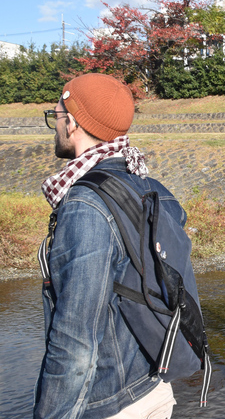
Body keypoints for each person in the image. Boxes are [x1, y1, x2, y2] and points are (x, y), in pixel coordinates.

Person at [36, 73, 179, 418]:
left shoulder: (85, 205)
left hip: (113, 403)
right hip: (154, 382)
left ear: (71, 123)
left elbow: (75, 342)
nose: (54, 125)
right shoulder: (138, 179)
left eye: (55, 117)